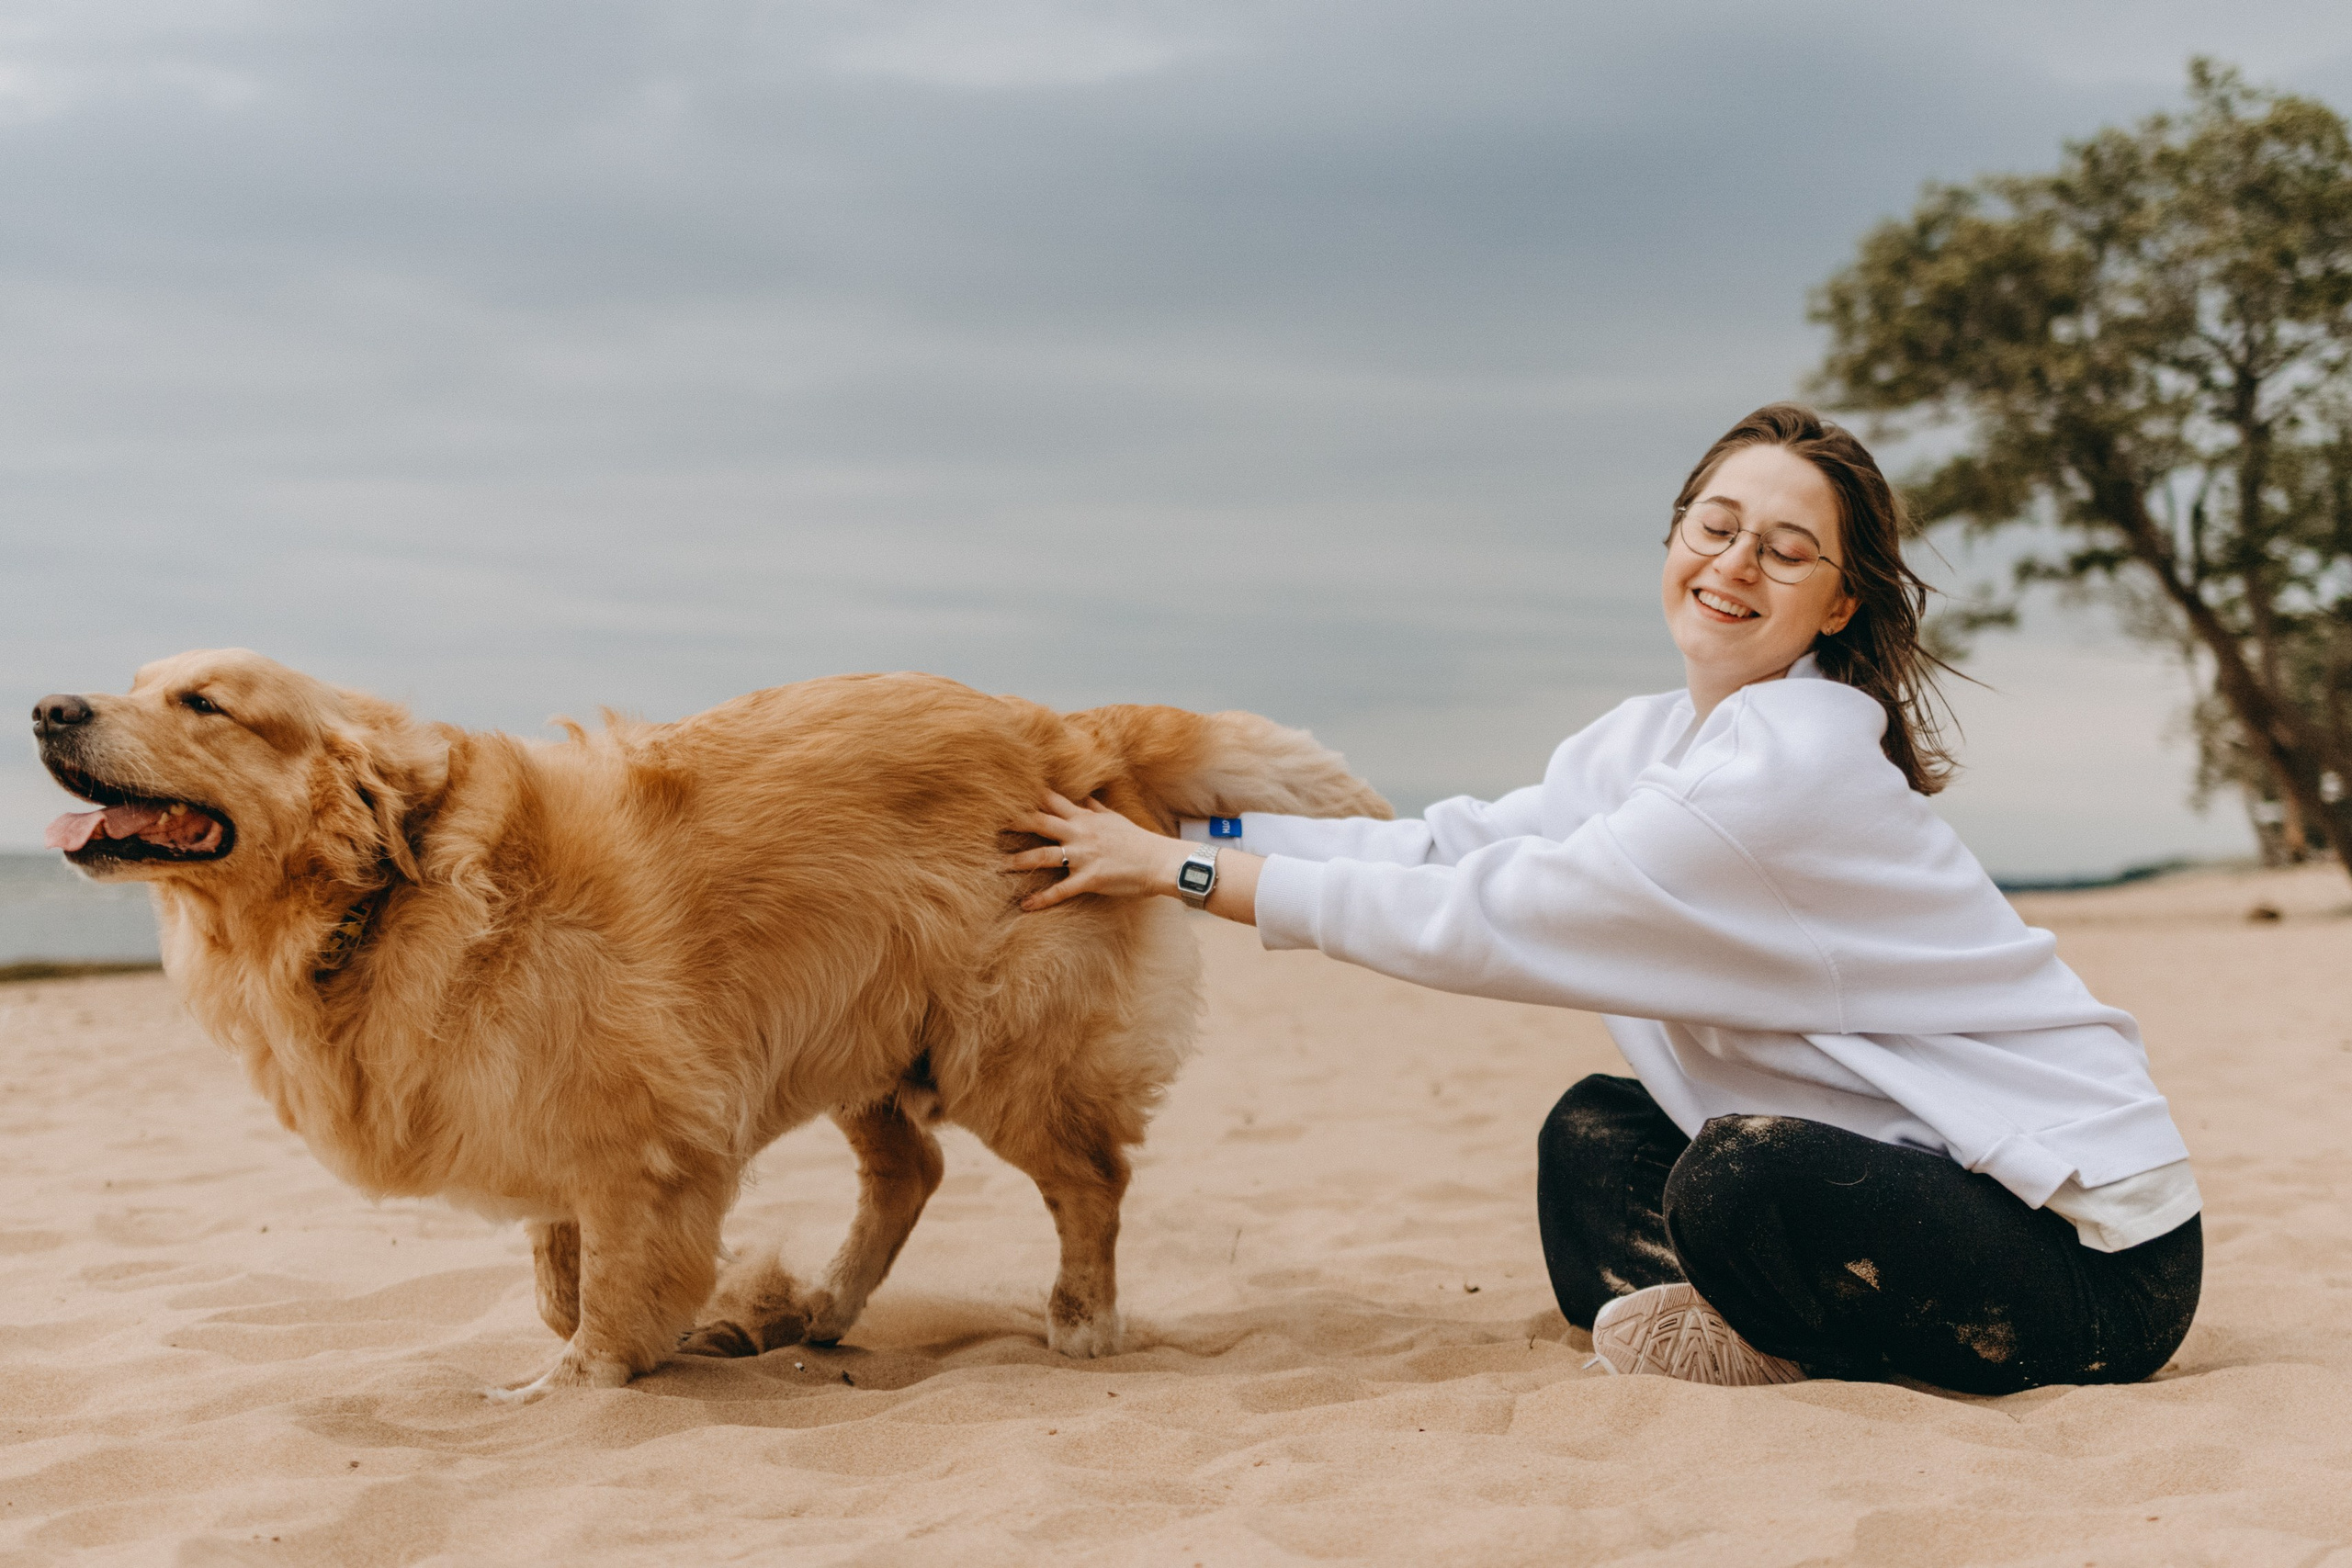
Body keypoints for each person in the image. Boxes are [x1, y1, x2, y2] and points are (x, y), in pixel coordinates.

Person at [1001, 402, 2202, 1395]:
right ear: (1674, 538)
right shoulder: (1650, 742)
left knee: (1741, 1178)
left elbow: (1492, 915)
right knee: (1593, 1133)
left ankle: (1788, 1342)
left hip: (2094, 1257)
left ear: (1838, 604)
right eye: (1713, 527)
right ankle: (1767, 1326)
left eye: (1784, 550)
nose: (1734, 564)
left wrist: (1185, 874)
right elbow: (1444, 850)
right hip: (1910, 1174)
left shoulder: (1788, 771)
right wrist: (1177, 829)